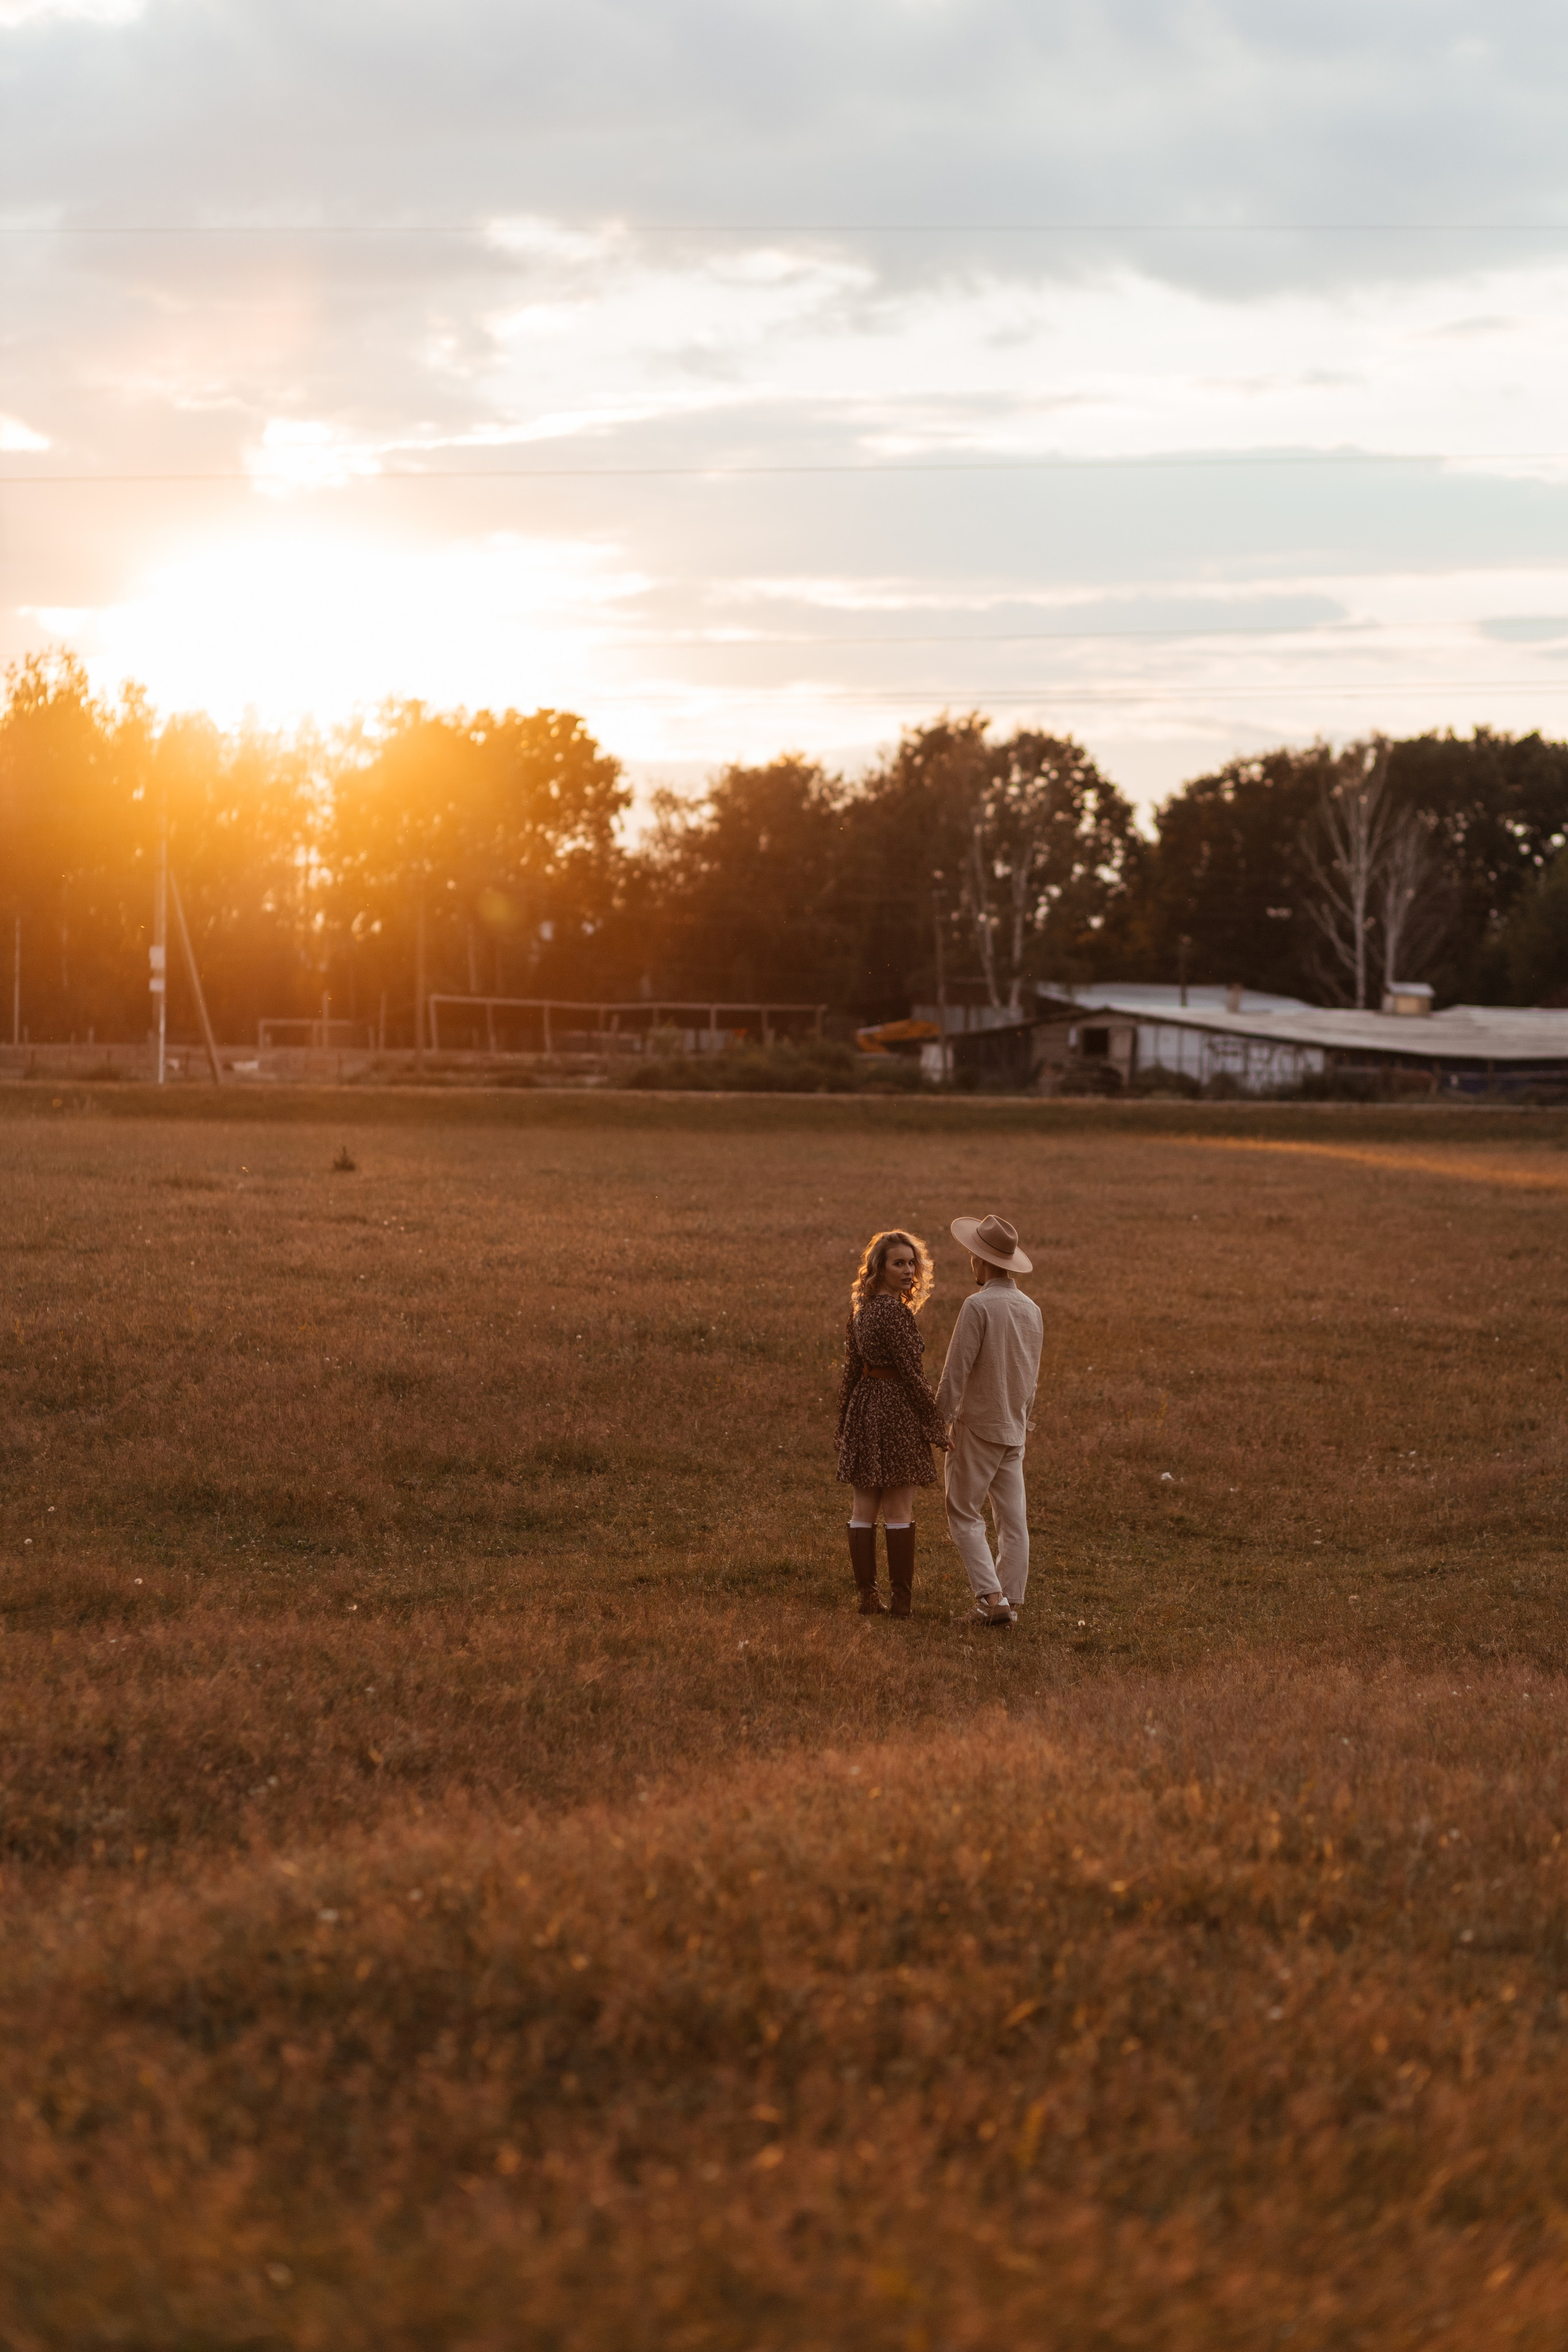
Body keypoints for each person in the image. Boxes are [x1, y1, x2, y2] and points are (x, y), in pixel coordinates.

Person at [935, 1213, 1044, 1629]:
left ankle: (990, 1598)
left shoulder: (977, 1305)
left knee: (964, 1512)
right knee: (1013, 1521)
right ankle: (1010, 1601)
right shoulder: (1032, 1310)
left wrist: (939, 1421)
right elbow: (1030, 1375)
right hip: (1014, 1428)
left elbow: (956, 1370)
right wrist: (1023, 1422)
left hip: (977, 1426)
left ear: (979, 1260)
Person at [835, 1229, 951, 1616]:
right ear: (879, 1268)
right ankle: (901, 1603)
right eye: (898, 1263)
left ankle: (868, 1599)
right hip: (896, 1410)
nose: (908, 1271)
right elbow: (913, 1375)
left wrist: (844, 1422)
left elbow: (851, 1372)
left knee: (863, 1508)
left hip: (865, 1407)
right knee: (899, 1509)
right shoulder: (894, 1312)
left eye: (911, 1263)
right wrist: (936, 1428)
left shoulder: (861, 1309)